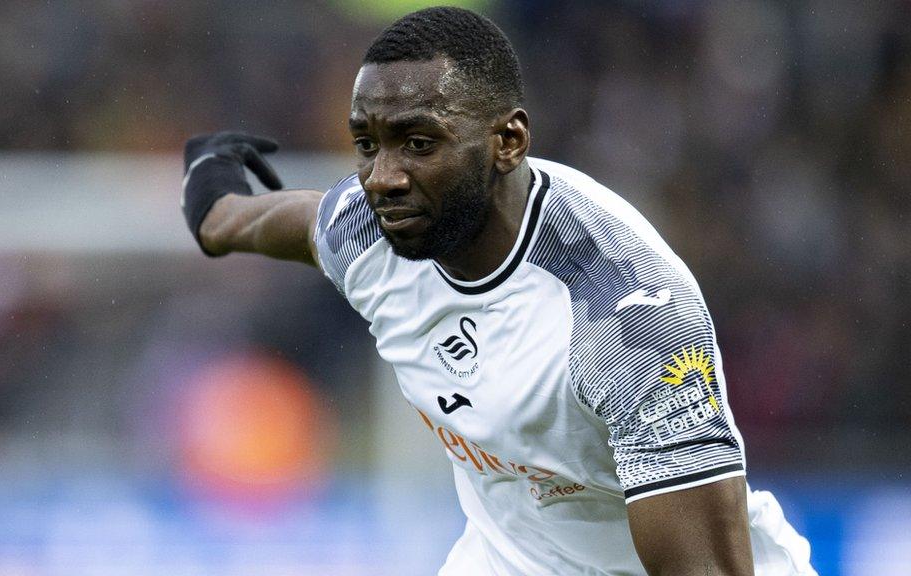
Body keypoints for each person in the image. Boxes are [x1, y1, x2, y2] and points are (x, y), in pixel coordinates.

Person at [179, 7, 816, 575]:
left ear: (507, 142)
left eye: (418, 143)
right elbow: (248, 221)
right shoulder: (368, 229)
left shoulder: (631, 320)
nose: (383, 178)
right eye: (367, 145)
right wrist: (208, 188)